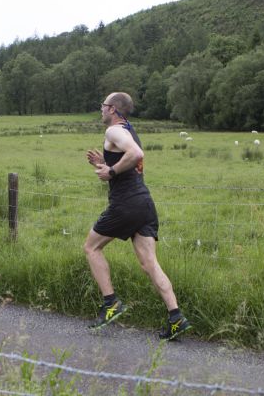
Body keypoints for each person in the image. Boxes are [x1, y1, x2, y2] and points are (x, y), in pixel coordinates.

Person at [83, 92, 192, 341]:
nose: (100, 110)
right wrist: (106, 162)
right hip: (144, 203)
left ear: (112, 109)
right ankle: (176, 317)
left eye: (103, 106)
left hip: (126, 204)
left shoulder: (113, 131)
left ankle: (110, 303)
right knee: (149, 264)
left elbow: (136, 154)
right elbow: (130, 161)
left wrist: (110, 170)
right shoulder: (129, 130)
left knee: (91, 248)